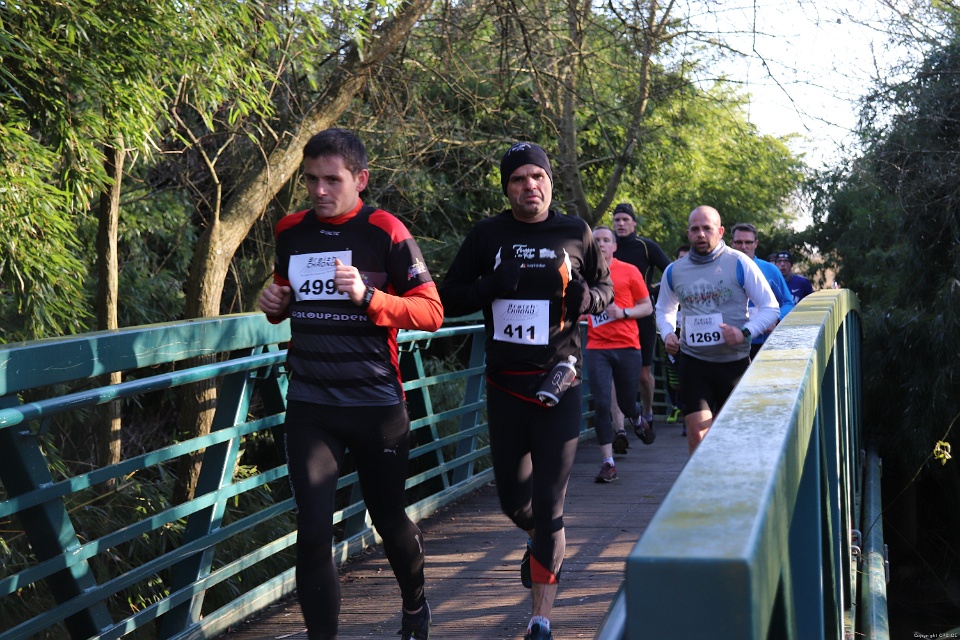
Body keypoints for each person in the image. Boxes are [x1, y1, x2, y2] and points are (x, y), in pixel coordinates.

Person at [258, 128, 443, 640]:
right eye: (310, 179)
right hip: (311, 404)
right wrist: (275, 305)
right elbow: (284, 297)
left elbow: (432, 312)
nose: (319, 190)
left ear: (360, 179)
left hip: (375, 407)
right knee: (313, 532)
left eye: (331, 180)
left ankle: (415, 603)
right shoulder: (290, 230)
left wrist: (369, 297)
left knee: (388, 518)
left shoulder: (384, 230)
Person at [439, 141, 613, 640]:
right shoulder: (487, 234)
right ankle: (538, 541)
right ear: (507, 188)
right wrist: (489, 287)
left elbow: (606, 291)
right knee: (516, 504)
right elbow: (446, 298)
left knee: (551, 503)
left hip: (560, 381)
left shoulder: (576, 232)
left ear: (549, 182)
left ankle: (540, 619)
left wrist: (589, 297)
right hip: (506, 386)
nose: (529, 186)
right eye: (518, 179)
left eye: (537, 176)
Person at [655, 206, 779, 454]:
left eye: (707, 228)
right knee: (697, 434)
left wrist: (745, 332)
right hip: (693, 362)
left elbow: (770, 307)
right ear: (688, 233)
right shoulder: (675, 270)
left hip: (733, 363)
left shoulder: (739, 262)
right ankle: (699, 480)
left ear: (720, 231)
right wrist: (667, 332)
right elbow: (663, 309)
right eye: (695, 229)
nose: (701, 234)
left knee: (729, 438)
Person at [582, 226, 653, 483]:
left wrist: (623, 313)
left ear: (614, 246)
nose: (601, 244)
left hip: (627, 346)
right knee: (602, 404)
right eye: (596, 240)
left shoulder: (629, 271)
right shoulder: (582, 274)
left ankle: (636, 417)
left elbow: (647, 307)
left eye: (606, 240)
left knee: (625, 403)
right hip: (597, 348)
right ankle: (608, 463)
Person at [611, 203, 671, 442]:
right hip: (614, 317)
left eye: (625, 219)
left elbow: (671, 272)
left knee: (643, 376)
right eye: (617, 220)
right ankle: (619, 431)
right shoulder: (607, 247)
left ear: (634, 223)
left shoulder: (646, 246)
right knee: (614, 375)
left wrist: (651, 291)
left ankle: (647, 414)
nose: (621, 224)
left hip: (643, 316)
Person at [730, 223, 795, 359]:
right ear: (732, 244)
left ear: (756, 243)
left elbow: (788, 303)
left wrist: (775, 320)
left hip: (763, 343)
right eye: (739, 242)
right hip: (731, 343)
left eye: (748, 242)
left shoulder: (770, 270)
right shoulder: (722, 270)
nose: (743, 247)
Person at [663, 245, 688, 431]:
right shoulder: (669, 282)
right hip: (673, 339)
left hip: (694, 340)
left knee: (689, 378)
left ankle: (687, 416)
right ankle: (677, 406)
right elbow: (660, 307)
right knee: (675, 382)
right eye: (680, 258)